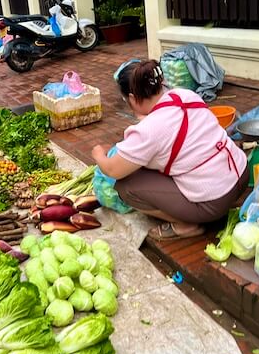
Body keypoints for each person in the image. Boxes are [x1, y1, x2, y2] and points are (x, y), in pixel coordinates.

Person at [91, 59, 249, 240]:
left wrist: (97, 152)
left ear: (133, 98)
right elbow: (169, 127)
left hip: (214, 202)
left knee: (126, 185)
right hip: (241, 176)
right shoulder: (184, 95)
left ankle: (187, 225)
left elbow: (113, 170)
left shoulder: (148, 130)